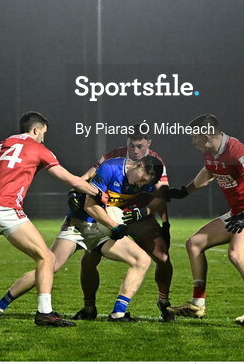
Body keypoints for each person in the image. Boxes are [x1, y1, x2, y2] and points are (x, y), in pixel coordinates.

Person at [0, 111, 100, 327]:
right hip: (5, 207)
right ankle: (45, 313)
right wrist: (97, 193)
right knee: (46, 258)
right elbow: (71, 180)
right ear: (36, 129)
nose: (44, 138)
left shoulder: (2, 145)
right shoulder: (39, 149)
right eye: (43, 133)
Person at [0, 154, 164, 323]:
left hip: (101, 229)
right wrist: (114, 226)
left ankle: (118, 313)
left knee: (141, 260)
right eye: (141, 179)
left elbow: (163, 195)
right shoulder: (110, 168)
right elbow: (90, 206)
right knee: (49, 266)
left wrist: (142, 212)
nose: (140, 185)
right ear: (139, 165)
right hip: (78, 224)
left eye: (144, 184)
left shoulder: (144, 181)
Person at [167, 114, 244, 326]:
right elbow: (208, 172)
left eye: (194, 136)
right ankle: (197, 304)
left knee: (237, 254)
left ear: (206, 134)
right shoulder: (211, 152)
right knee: (194, 243)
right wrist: (184, 192)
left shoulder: (237, 150)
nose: (192, 141)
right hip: (237, 212)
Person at [71, 135, 175, 322]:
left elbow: (162, 195)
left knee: (163, 257)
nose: (136, 150)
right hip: (108, 216)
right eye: (132, 145)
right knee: (89, 260)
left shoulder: (155, 163)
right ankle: (89, 308)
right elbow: (88, 187)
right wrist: (75, 190)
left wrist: (156, 218)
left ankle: (164, 302)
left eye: (140, 146)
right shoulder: (111, 162)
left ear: (148, 144)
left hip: (138, 217)